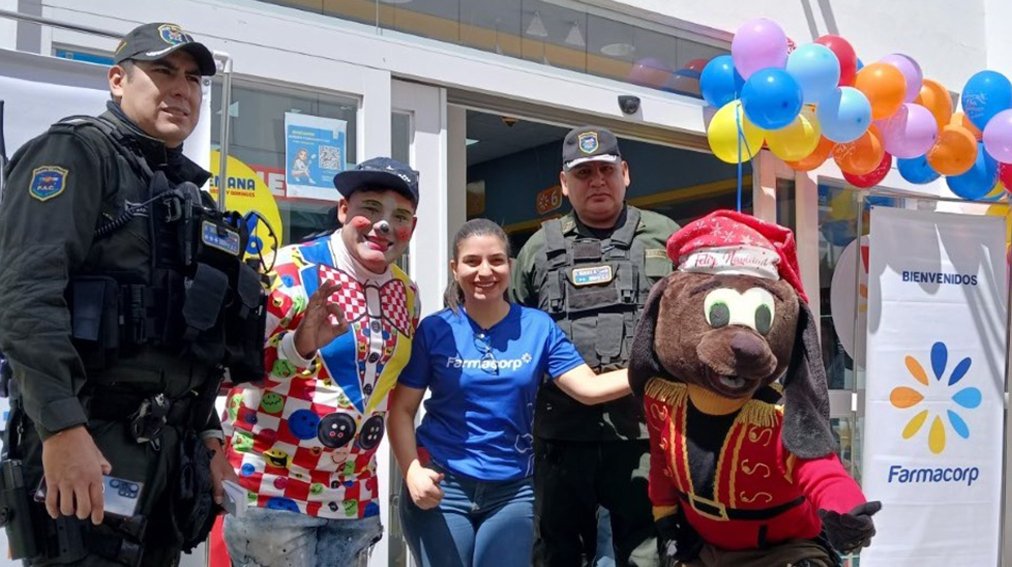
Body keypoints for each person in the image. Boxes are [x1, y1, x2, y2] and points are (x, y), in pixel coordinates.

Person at [0, 22, 250, 565]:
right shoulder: (73, 154)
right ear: (118, 80)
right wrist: (61, 428)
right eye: (162, 71)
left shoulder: (186, 191)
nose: (181, 89)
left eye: (193, 78)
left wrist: (208, 434)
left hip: (170, 456)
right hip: (90, 442)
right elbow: (24, 298)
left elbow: (193, 337)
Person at [388, 218, 632, 567]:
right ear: (455, 269)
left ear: (510, 265)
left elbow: (589, 389)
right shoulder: (435, 329)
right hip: (443, 485)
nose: (485, 271)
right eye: (472, 261)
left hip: (513, 490)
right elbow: (402, 409)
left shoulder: (537, 326)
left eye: (496, 260)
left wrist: (652, 369)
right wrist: (411, 470)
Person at [222, 157, 422, 565]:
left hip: (353, 496)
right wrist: (298, 346)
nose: (383, 226)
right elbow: (234, 373)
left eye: (399, 216)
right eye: (369, 209)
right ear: (343, 210)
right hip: (274, 489)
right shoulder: (287, 269)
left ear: (412, 229)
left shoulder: (408, 293)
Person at [511, 126, 681, 566]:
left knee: (647, 553)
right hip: (562, 437)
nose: (597, 181)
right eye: (583, 173)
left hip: (644, 435)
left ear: (625, 173)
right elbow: (513, 334)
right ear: (565, 185)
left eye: (606, 169)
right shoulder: (536, 251)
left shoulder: (667, 238)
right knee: (558, 553)